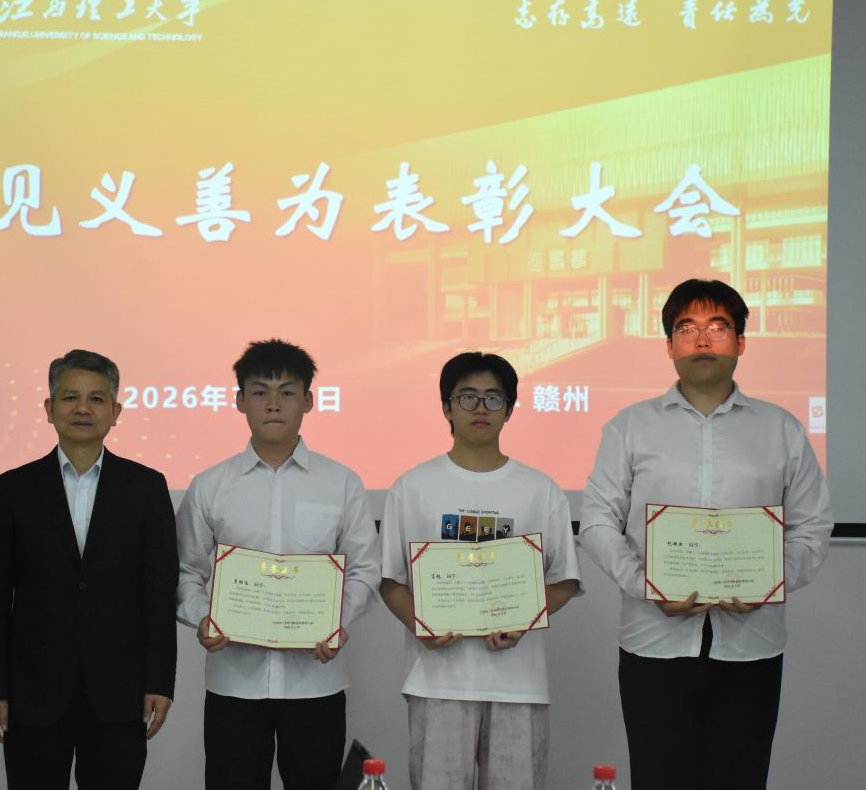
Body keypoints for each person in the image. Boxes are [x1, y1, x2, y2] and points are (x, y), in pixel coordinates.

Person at [577, 279, 832, 790]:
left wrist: (771, 581)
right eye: (686, 328)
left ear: (741, 342)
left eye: (718, 326)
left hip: (752, 646)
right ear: (669, 345)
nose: (702, 339)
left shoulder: (781, 429)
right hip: (653, 643)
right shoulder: (629, 427)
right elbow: (598, 520)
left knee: (740, 778)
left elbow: (812, 525)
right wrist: (646, 584)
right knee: (660, 777)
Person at [174, 339, 380, 789]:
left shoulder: (342, 483)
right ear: (239, 401)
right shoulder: (209, 486)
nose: (273, 404)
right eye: (260, 392)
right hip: (234, 682)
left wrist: (336, 621)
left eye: (287, 392)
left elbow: (364, 570)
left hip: (316, 682)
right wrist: (203, 617)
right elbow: (187, 570)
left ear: (308, 401)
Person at [0, 349, 178, 789]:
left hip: (119, 693)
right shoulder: (13, 489)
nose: (83, 408)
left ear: (115, 412)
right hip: (33, 692)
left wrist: (160, 681)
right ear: (49, 409)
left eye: (96, 399)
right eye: (70, 398)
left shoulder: (146, 487)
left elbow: (158, 594)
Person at [379, 351, 581, 790]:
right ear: (446, 407)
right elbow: (391, 581)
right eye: (467, 397)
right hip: (437, 680)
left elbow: (565, 580)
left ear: (509, 409)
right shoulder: (412, 487)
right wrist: (421, 625)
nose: (480, 408)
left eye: (493, 398)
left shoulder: (540, 489)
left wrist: (524, 619)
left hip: (519, 682)